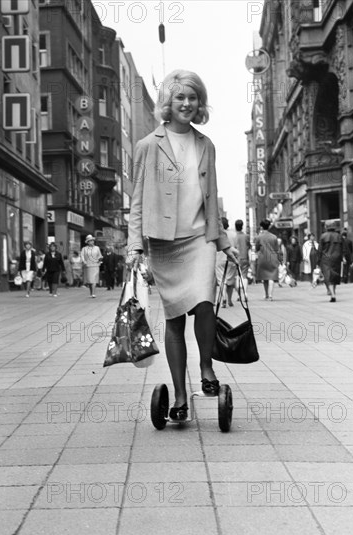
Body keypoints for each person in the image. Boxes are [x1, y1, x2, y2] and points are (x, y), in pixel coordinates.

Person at [127, 69, 238, 422]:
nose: (187, 104)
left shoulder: (206, 145)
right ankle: (178, 395)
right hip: (164, 243)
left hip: (199, 239)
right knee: (175, 319)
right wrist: (135, 246)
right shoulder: (147, 145)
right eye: (180, 98)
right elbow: (138, 200)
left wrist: (223, 242)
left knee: (205, 303)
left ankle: (206, 367)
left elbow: (211, 196)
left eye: (193, 97)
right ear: (168, 104)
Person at [317, 220, 343, 302]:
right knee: (334, 276)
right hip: (336, 258)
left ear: (326, 227)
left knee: (328, 277)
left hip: (326, 259)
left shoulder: (323, 236)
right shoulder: (339, 236)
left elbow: (320, 250)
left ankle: (332, 294)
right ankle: (333, 292)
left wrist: (318, 261)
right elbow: (343, 248)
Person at [255, 219, 280, 301]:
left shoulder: (259, 237)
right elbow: (277, 249)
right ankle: (270, 295)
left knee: (264, 277)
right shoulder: (274, 237)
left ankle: (266, 294)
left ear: (262, 227)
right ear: (269, 226)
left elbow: (256, 248)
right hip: (272, 258)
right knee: (271, 277)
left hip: (262, 259)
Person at [215, 217, 237, 307]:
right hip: (231, 259)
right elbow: (236, 247)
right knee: (230, 282)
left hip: (219, 259)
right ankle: (229, 300)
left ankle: (223, 298)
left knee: (221, 281)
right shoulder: (233, 234)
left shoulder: (216, 235)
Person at [234, 219, 251, 296]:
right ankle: (245, 293)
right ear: (242, 226)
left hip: (236, 259)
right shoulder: (246, 236)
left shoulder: (234, 236)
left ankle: (239, 295)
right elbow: (249, 247)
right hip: (245, 258)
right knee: (244, 276)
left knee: (237, 276)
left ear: (235, 227)